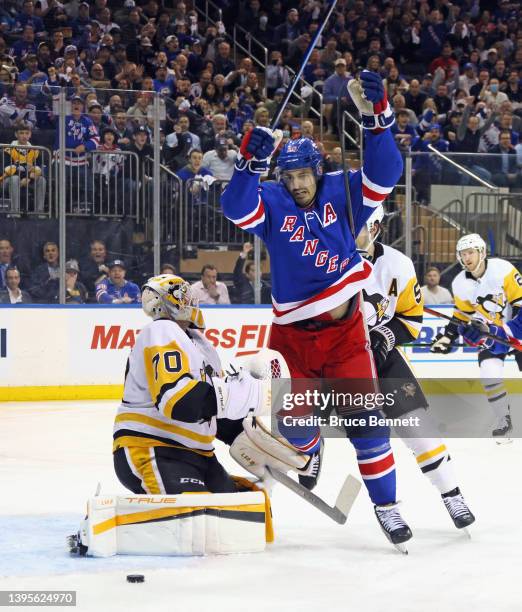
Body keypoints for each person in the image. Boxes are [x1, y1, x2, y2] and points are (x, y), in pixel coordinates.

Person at [221, 71, 412, 547]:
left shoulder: (342, 191)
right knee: (296, 432)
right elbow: (233, 207)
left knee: (368, 426)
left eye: (303, 175)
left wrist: (379, 121)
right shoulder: (273, 199)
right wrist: (249, 163)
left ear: (318, 171)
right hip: (292, 340)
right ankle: (310, 446)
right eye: (288, 177)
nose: (297, 184)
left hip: (346, 333)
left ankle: (387, 509)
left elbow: (386, 172)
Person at [357, 207, 475, 530]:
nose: (350, 231)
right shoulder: (327, 260)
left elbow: (411, 318)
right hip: (343, 362)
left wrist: (387, 333)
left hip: (383, 359)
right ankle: (386, 507)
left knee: (419, 430)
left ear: (376, 227)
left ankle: (452, 494)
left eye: (358, 225)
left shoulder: (398, 265)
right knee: (368, 437)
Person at [113, 273, 269, 494]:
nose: (192, 301)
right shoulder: (161, 330)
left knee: (250, 501)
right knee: (197, 513)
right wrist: (247, 393)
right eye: (186, 296)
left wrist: (261, 446)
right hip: (153, 447)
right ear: (176, 300)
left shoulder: (200, 344)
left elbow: (215, 412)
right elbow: (180, 402)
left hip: (200, 455)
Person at [431, 234, 522, 438]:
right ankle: (503, 420)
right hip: (493, 335)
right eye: (463, 254)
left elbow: (521, 306)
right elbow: (462, 315)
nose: (467, 258)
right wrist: (448, 337)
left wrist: (507, 333)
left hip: (516, 329)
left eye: (470, 252)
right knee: (488, 371)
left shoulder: (503, 269)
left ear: (482, 252)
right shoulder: (459, 283)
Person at [1, 121, 46, 215]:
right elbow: (7, 169)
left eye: (27, 133)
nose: (24, 136)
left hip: (28, 180)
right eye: (21, 133)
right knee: (14, 178)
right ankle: (14, 211)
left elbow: (39, 168)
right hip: (7, 181)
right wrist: (26, 175)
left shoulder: (35, 151)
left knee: (41, 180)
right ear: (16, 134)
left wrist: (28, 178)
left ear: (30, 135)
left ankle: (39, 212)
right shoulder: (8, 149)